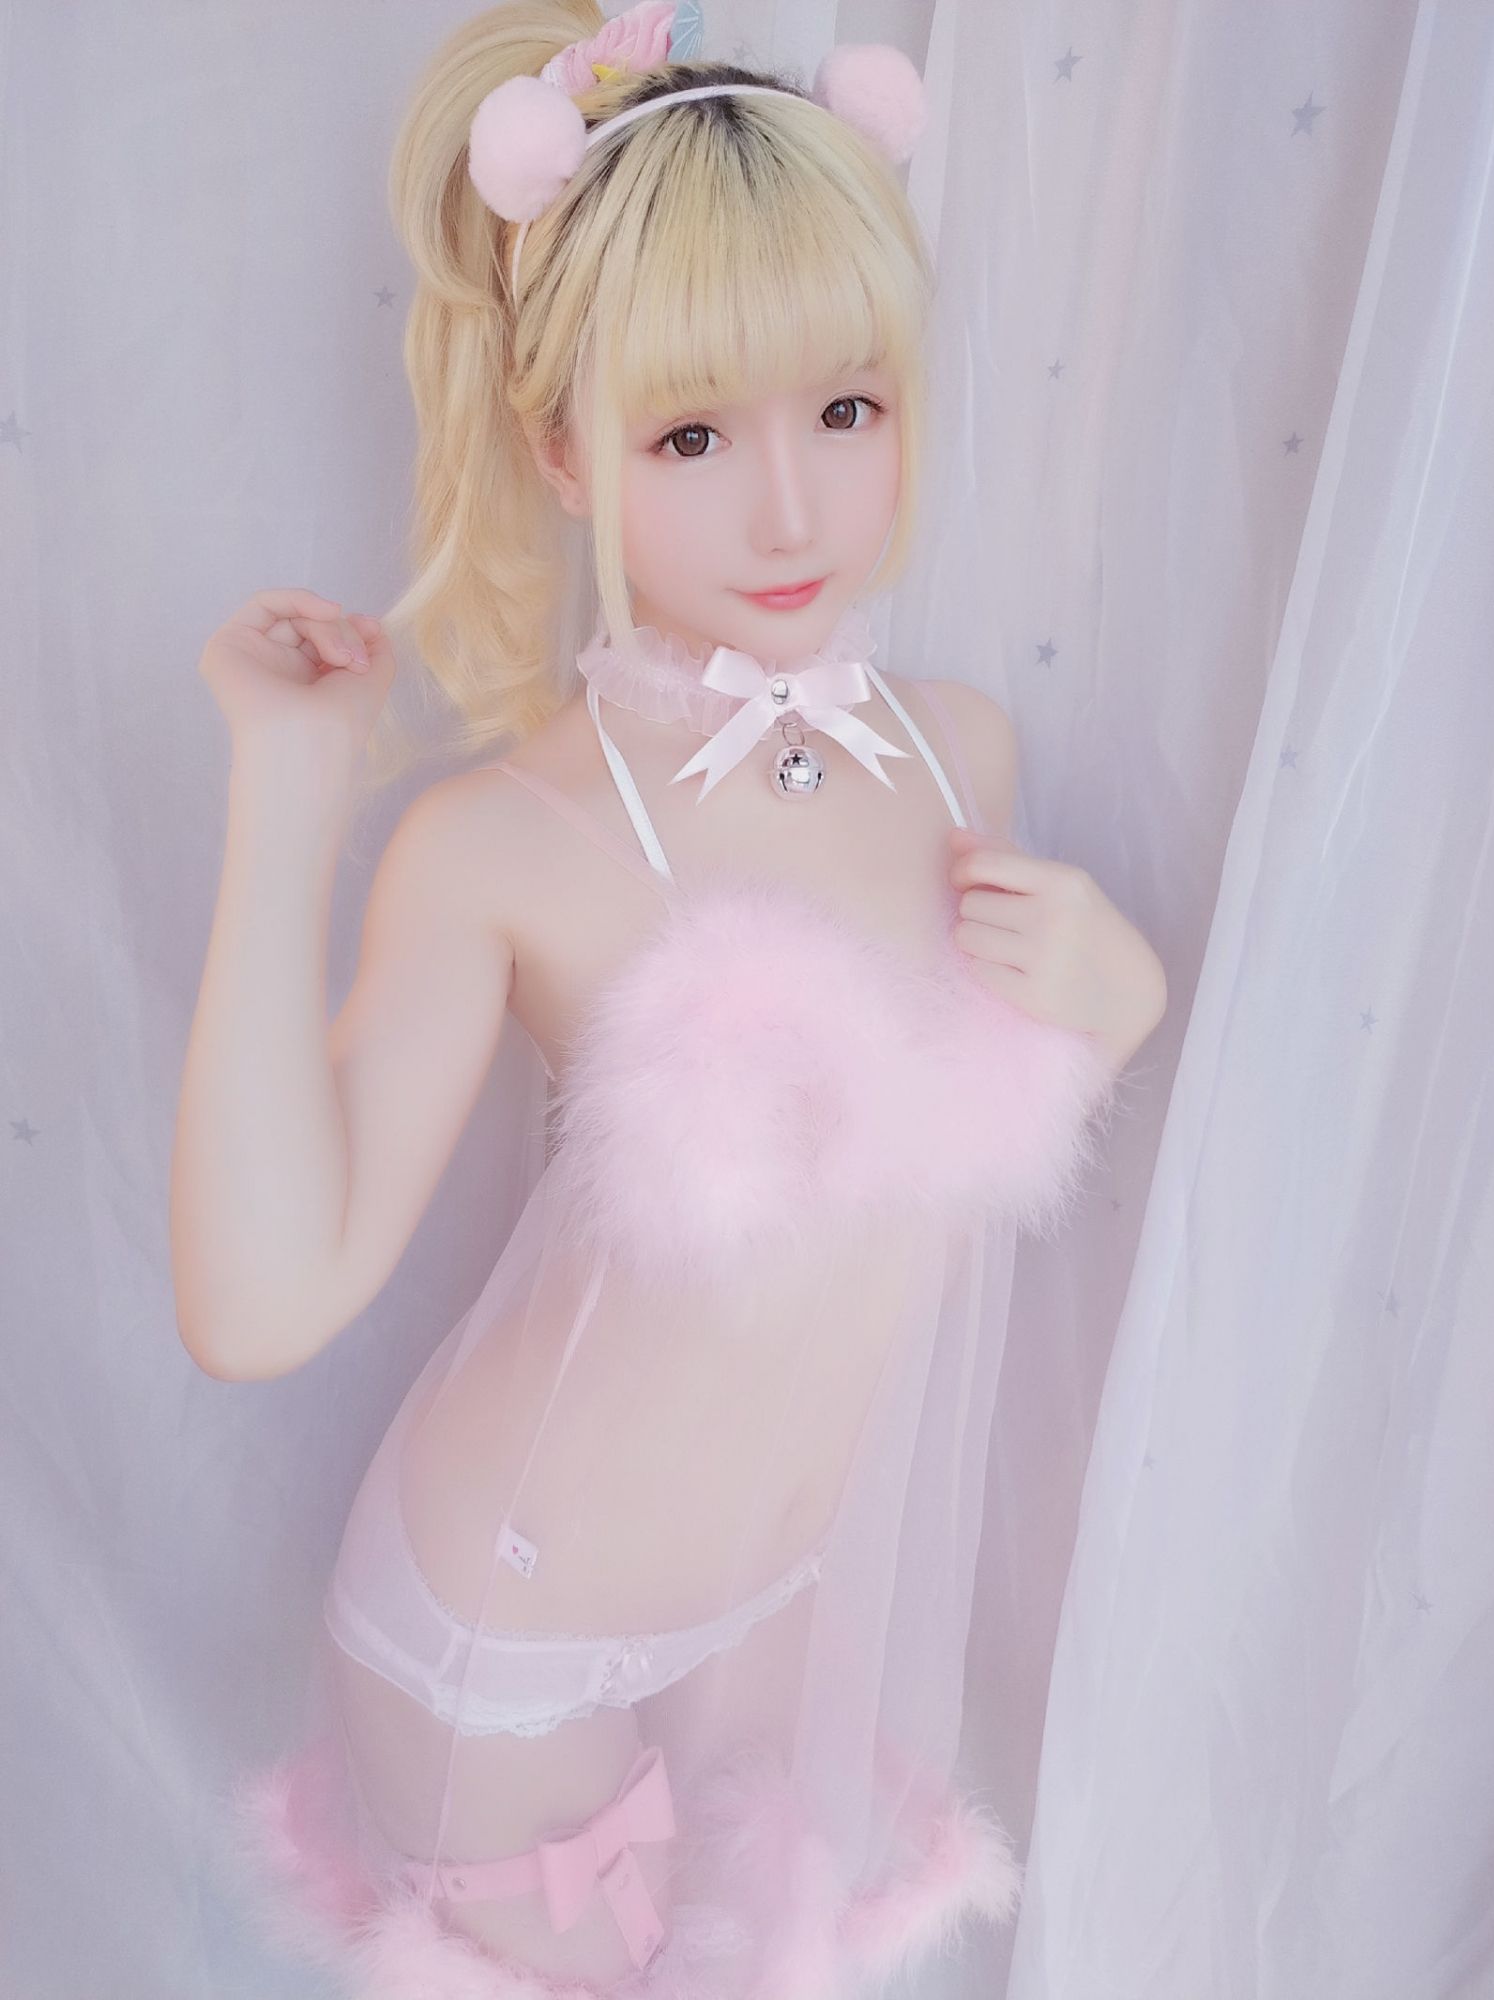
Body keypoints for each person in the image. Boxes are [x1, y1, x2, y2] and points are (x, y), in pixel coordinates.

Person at [171, 4, 1167, 1994]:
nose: (789, 512)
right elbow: (256, 1306)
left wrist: (1116, 992)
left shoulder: (956, 752)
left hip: (776, 1596)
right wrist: (286, 792)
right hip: (509, 1634)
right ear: (566, 451)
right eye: (692, 436)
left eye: (846, 410)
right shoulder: (509, 840)